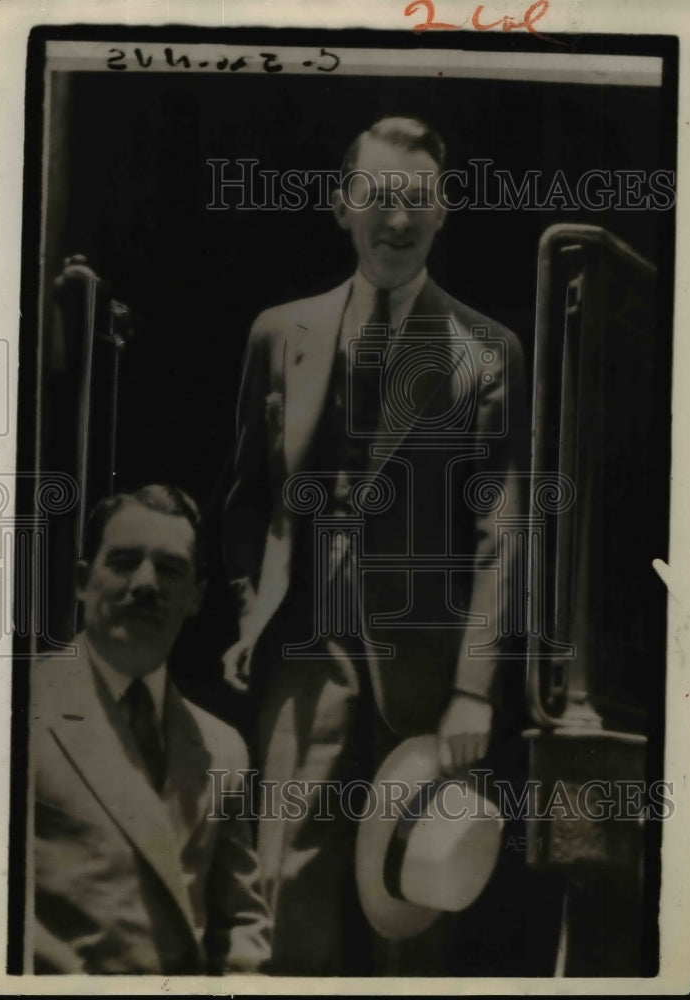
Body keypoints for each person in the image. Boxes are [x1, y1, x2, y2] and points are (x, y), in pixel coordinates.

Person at [223, 117, 530, 974]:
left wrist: (474, 688)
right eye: (379, 197)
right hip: (304, 658)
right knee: (286, 881)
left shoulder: (486, 352)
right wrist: (255, 612)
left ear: (443, 213)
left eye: (419, 201)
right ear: (341, 207)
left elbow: (502, 531)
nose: (398, 220)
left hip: (429, 680)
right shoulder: (279, 333)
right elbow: (246, 498)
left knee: (412, 899)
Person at [28, 484, 272, 974]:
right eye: (123, 562)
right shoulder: (20, 711)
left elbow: (239, 927)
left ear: (196, 597)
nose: (145, 583)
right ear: (82, 579)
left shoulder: (221, 750)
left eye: (170, 569)